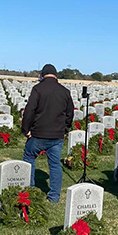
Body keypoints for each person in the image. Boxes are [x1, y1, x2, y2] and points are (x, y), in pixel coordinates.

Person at [21, 64, 75, 203]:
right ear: (56, 75)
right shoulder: (65, 91)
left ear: (42, 75)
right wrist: (65, 129)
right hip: (57, 135)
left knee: (29, 157)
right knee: (55, 164)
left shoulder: (38, 89)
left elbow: (30, 110)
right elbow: (70, 114)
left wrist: (26, 129)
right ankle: (54, 196)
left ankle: (30, 190)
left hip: (38, 133)